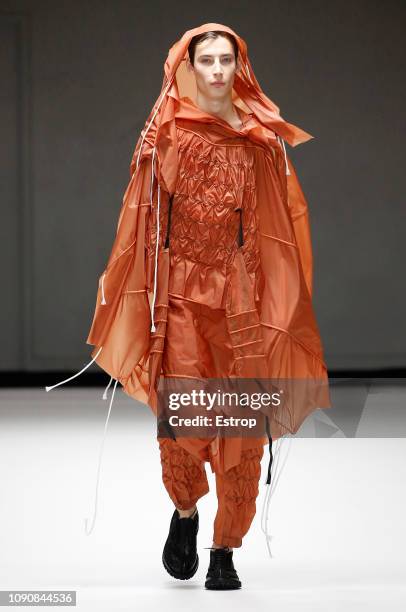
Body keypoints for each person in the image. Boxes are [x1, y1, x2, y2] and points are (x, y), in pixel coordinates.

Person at [45, 23, 331, 590]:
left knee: (241, 421)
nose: (219, 70)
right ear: (190, 66)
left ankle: (226, 548)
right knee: (182, 418)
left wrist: (278, 301)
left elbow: (277, 228)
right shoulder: (166, 134)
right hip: (179, 298)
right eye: (208, 60)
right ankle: (185, 512)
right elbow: (144, 224)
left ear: (239, 67)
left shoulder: (260, 141)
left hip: (239, 300)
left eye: (228, 59)